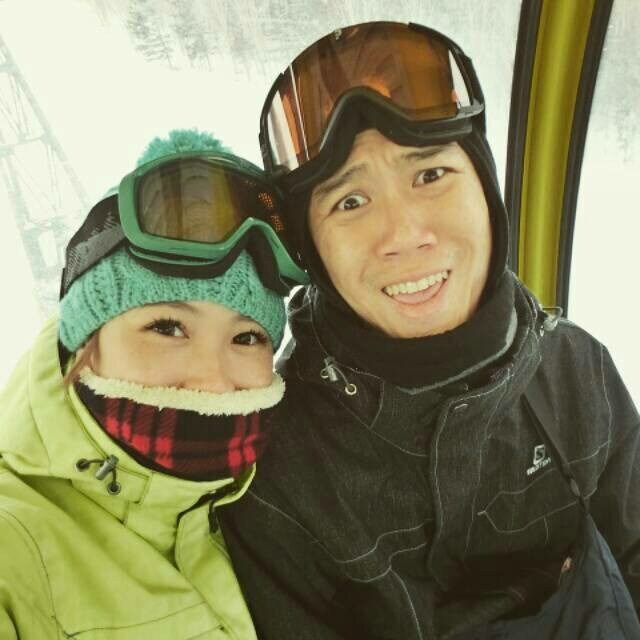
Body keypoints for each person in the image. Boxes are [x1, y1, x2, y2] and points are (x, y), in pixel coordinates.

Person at [218, 22, 640, 639]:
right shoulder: (282, 470)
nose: (405, 234)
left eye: (430, 175)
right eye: (350, 202)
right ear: (313, 252)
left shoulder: (576, 371)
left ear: (486, 190)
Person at [0, 129, 307, 639]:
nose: (211, 382)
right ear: (86, 343)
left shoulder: (277, 498)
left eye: (247, 337)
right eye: (167, 327)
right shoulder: (14, 544)